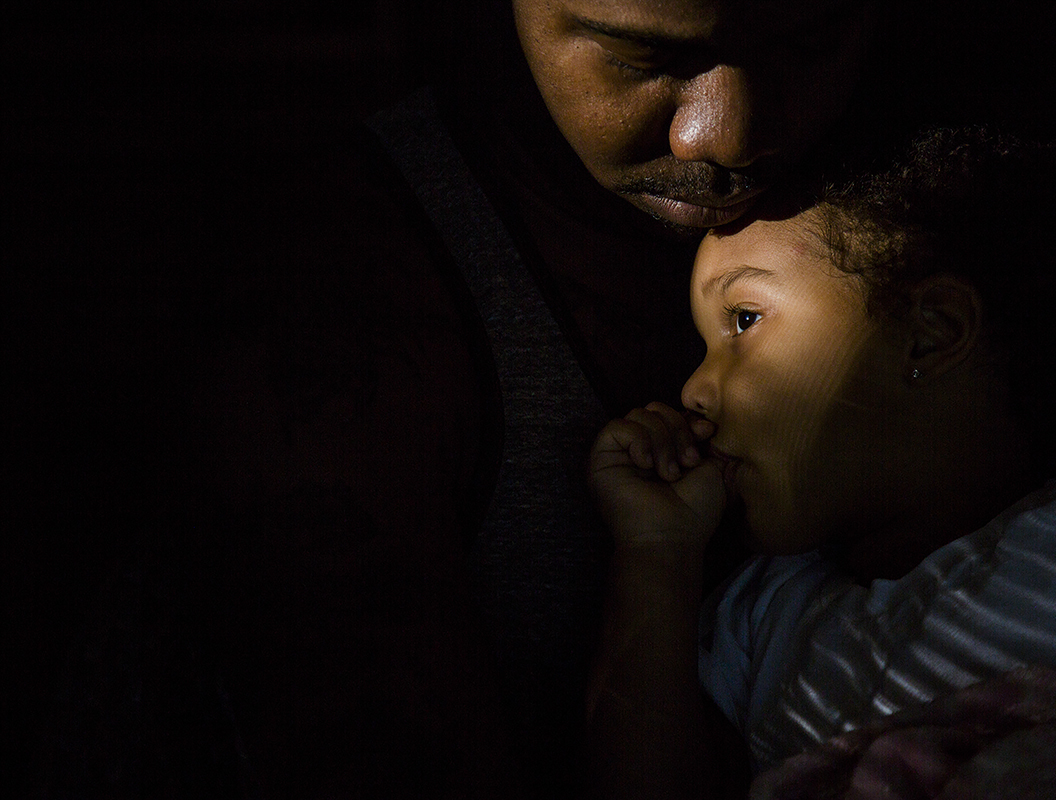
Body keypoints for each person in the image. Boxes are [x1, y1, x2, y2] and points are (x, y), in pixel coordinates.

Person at [36, 1, 917, 798]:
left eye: (806, 39)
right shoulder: (338, 318)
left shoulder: (927, 172)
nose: (725, 137)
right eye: (641, 55)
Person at [586, 127, 1056, 799]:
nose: (694, 390)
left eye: (743, 320)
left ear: (930, 332)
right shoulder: (763, 614)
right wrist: (655, 552)